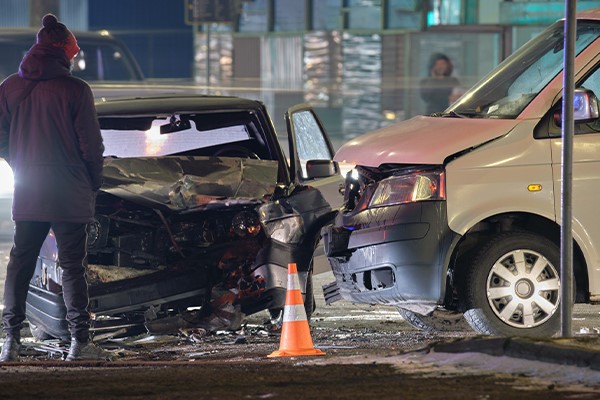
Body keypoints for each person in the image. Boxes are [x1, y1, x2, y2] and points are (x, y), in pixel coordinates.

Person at [0, 14, 107, 361]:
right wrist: (93, 182)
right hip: (70, 190)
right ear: (63, 51)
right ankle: (80, 343)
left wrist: (20, 163)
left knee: (20, 262)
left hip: (30, 190)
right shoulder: (76, 90)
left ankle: (10, 343)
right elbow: (91, 146)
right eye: (72, 53)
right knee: (73, 266)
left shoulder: (10, 88)